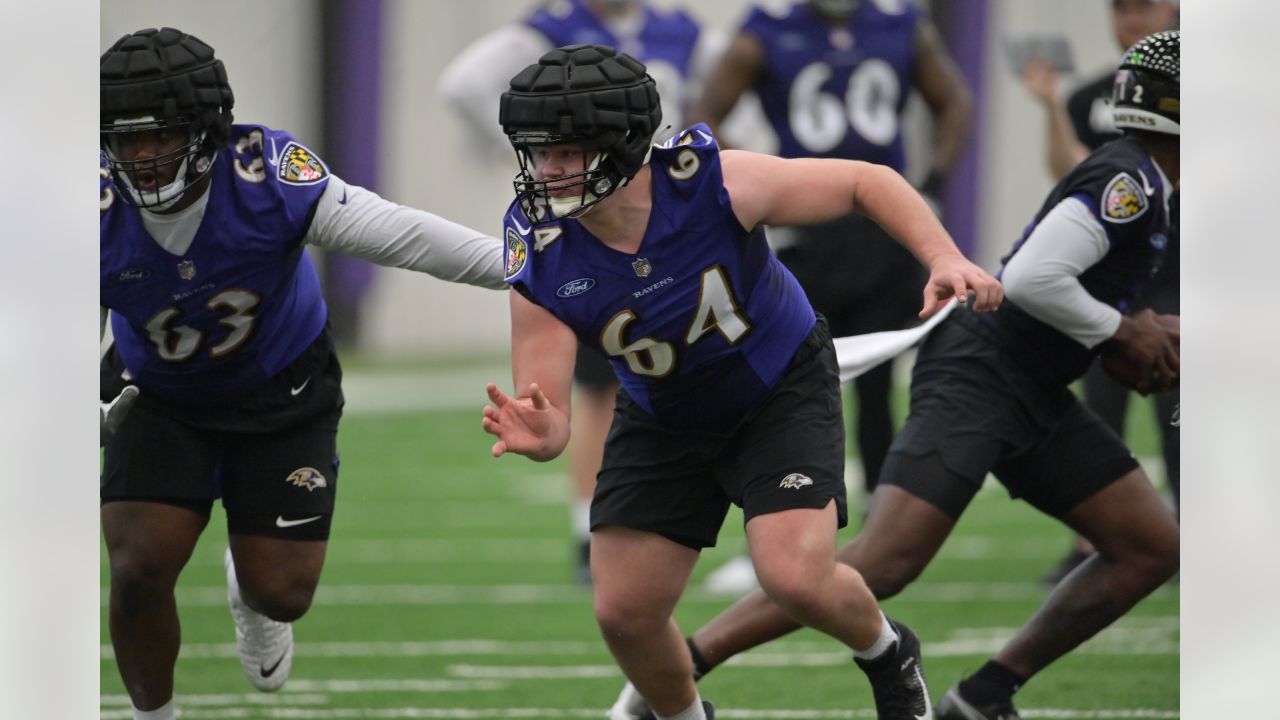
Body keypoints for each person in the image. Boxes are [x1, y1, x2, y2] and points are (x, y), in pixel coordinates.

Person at [613, 31, 1181, 720]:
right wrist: (1123, 330)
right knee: (884, 559)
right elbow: (1032, 278)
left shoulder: (1152, 180)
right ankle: (685, 666)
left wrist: (1133, 330)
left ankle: (984, 696)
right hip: (985, 370)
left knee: (1149, 547)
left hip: (1033, 381)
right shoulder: (1131, 182)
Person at [482, 44, 1002, 719]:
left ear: (621, 143)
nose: (545, 171)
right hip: (663, 412)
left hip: (775, 390)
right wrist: (545, 430)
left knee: (796, 579)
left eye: (564, 151)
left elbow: (865, 182)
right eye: (537, 152)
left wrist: (942, 256)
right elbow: (545, 398)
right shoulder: (541, 247)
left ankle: (886, 651)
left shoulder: (709, 183)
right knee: (625, 612)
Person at [99, 28, 505, 720]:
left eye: (158, 136)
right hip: (158, 393)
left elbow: (400, 233)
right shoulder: (90, 202)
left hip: (280, 385)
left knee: (281, 590)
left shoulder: (265, 179)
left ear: (206, 130)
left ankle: (253, 599)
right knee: (139, 567)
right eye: (122, 137)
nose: (139, 156)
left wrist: (521, 267)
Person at [440, 0, 745, 584]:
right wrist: (551, 162)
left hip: (673, 216)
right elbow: (462, 86)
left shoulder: (681, 32)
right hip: (596, 226)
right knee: (597, 381)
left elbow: (732, 98)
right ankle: (591, 527)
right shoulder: (551, 30)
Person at [686, 0, 973, 593]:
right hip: (804, 229)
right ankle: (767, 536)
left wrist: (936, 177)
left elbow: (954, 101)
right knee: (781, 383)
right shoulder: (764, 31)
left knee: (875, 387)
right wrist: (762, 179)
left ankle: (881, 536)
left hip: (880, 227)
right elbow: (705, 114)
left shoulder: (898, 24)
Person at [1021, 0, 1179, 583]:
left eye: (1146, 7)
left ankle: (1189, 532)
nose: (1131, 20)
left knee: (1182, 416)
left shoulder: (1207, 88)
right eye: (1122, 9)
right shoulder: (1096, 99)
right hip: (1114, 285)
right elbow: (1079, 175)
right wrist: (1051, 105)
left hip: (1178, 273)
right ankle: (1093, 541)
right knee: (1098, 412)